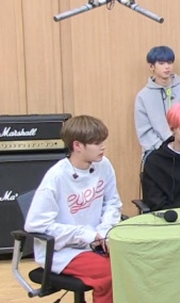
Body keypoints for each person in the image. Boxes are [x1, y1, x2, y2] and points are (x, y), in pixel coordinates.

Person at [25, 115, 121, 303]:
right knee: (109, 273)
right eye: (96, 143)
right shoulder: (56, 177)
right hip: (62, 251)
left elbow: (112, 203)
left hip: (96, 242)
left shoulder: (104, 165)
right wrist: (84, 234)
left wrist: (104, 232)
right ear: (77, 146)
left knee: (130, 263)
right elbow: (35, 225)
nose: (103, 147)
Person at [134, 46, 180, 159]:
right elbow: (144, 131)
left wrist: (178, 146)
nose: (167, 67)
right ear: (151, 66)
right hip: (155, 150)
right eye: (161, 63)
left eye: (169, 62)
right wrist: (165, 148)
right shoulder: (143, 96)